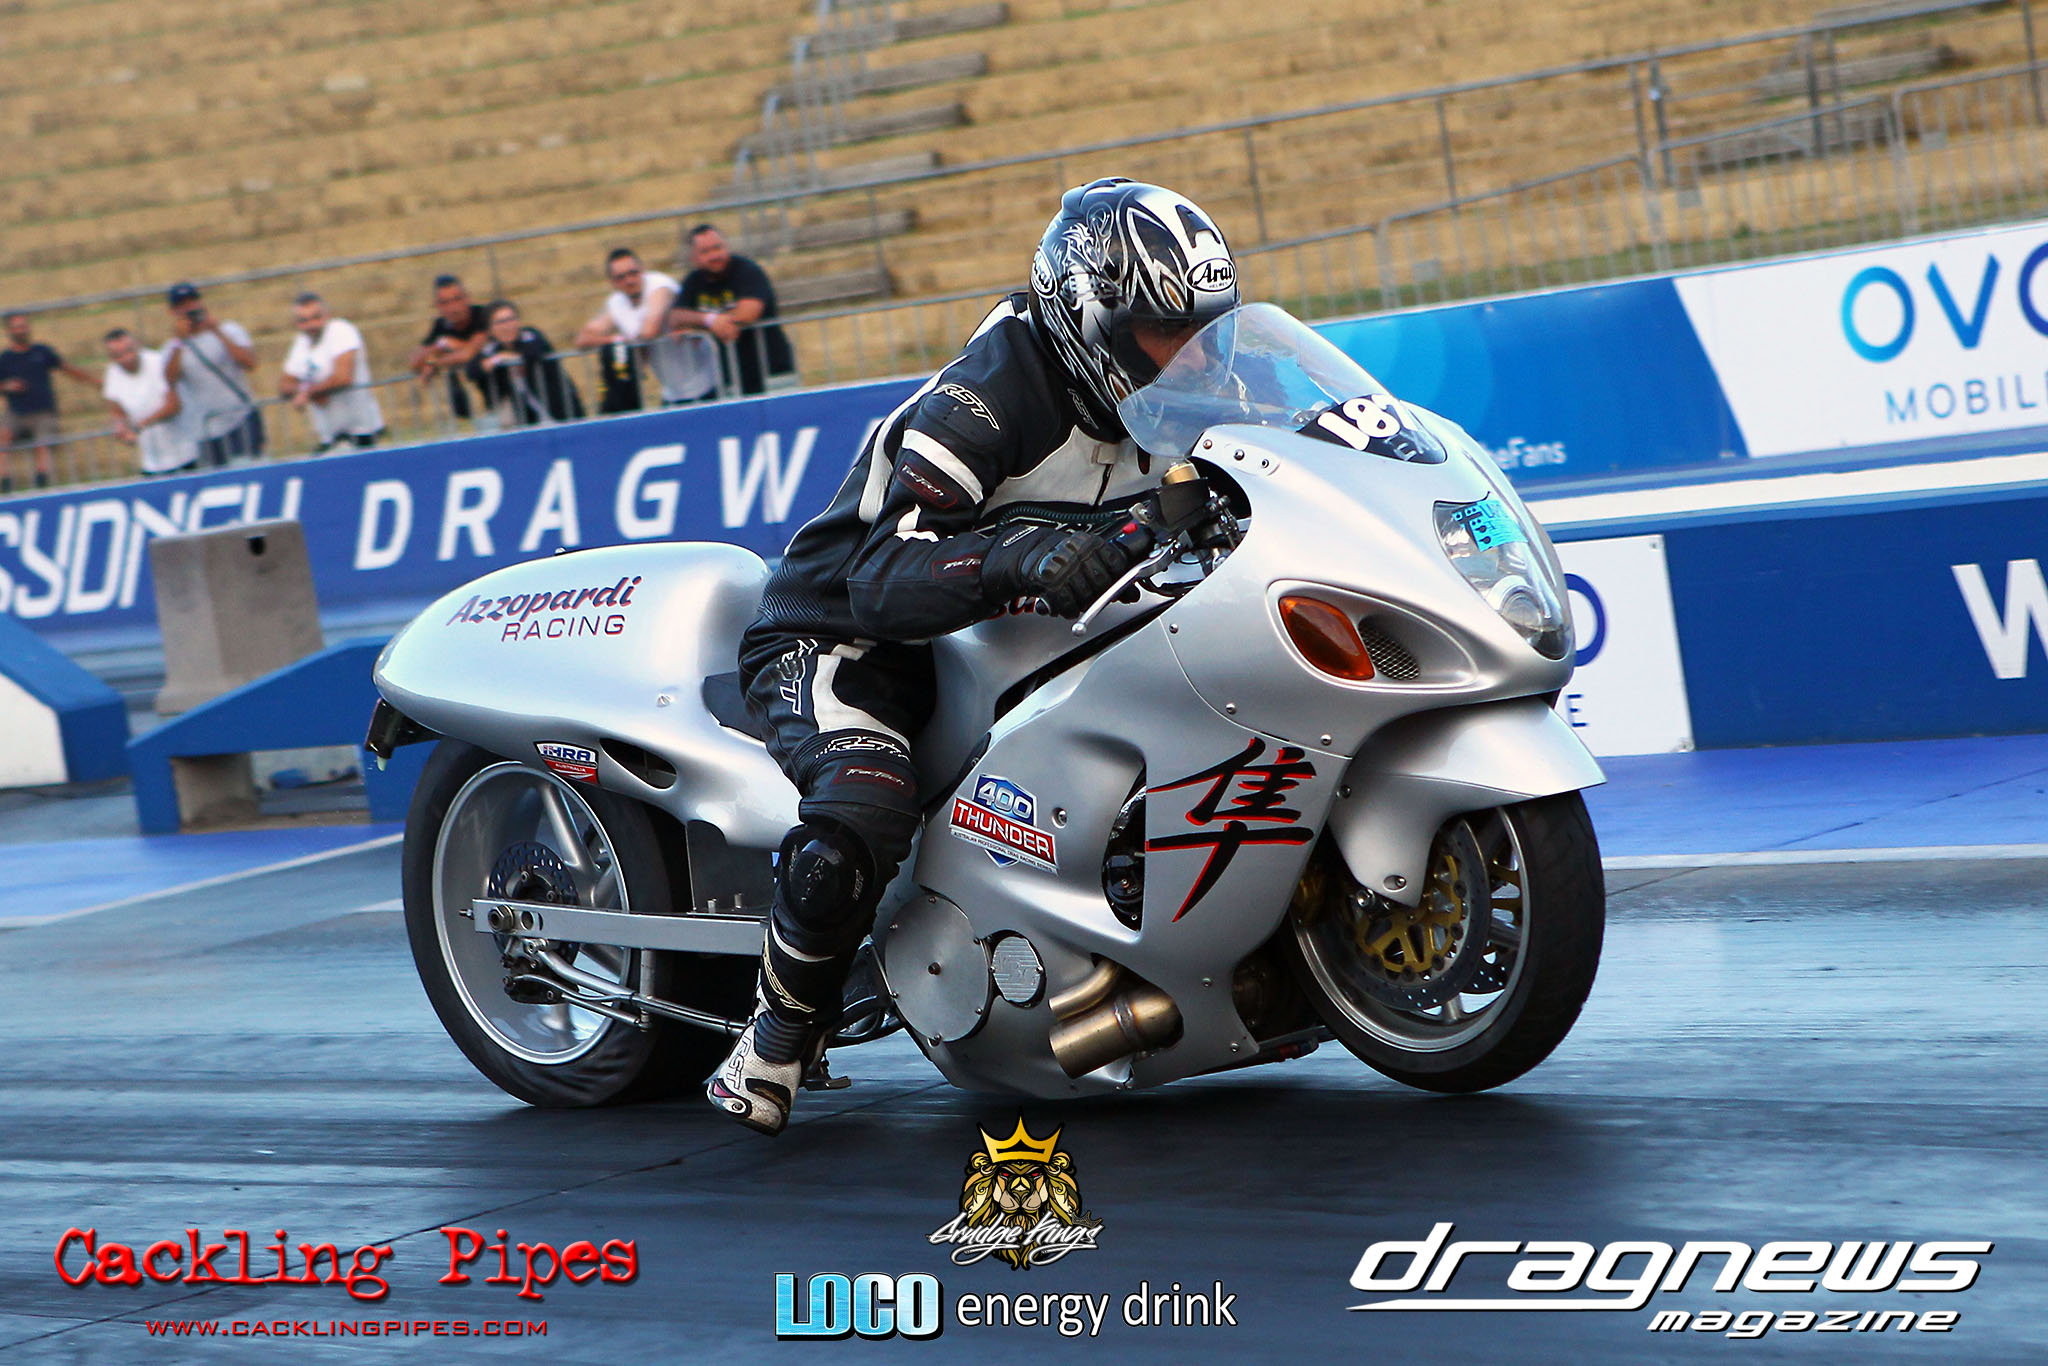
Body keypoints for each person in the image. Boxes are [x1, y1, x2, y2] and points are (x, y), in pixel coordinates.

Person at [708, 179, 1240, 1135]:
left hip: (1008, 643)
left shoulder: (1189, 393)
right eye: (1169, 333)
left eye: (1208, 331)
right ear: (1091, 319)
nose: (1195, 357)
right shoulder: (990, 397)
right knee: (864, 804)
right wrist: (1024, 556)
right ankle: (774, 1040)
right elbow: (880, 578)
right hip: (851, 632)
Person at [573, 247, 716, 408]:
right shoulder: (616, 302)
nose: (629, 280)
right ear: (612, 282)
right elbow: (583, 340)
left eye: (633, 273)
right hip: (672, 392)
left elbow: (650, 329)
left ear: (642, 270)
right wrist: (615, 339)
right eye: (621, 277)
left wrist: (627, 342)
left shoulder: (659, 285)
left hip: (708, 385)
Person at [673, 224, 797, 397]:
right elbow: (676, 316)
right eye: (705, 251)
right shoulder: (693, 282)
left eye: (718, 247)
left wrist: (711, 323)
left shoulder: (748, 271)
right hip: (730, 376)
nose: (715, 255)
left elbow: (748, 313)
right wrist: (709, 320)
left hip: (772, 369)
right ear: (693, 257)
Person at [161, 282, 264, 467]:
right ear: (173, 311)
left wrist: (217, 331)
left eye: (192, 302)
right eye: (182, 305)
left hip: (240, 418)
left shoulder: (230, 330)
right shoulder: (172, 348)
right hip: (206, 430)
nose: (189, 308)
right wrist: (179, 341)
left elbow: (249, 362)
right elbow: (170, 379)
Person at [0, 312, 97, 492]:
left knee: (42, 440)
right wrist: (7, 386)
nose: (20, 330)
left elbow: (66, 368)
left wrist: (94, 381)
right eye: (16, 327)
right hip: (16, 412)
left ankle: (41, 481)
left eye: (23, 326)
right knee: (3, 434)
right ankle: (5, 482)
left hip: (43, 411)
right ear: (9, 331)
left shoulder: (42, 351)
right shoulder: (5, 358)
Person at [279, 293, 385, 452]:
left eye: (316, 317)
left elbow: (343, 377)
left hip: (360, 429)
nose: (311, 325)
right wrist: (306, 391)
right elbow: (284, 383)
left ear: (326, 315)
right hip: (329, 435)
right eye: (303, 320)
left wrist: (309, 393)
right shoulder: (301, 342)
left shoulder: (340, 330)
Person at [473, 299, 584, 426]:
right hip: (530, 419)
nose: (507, 326)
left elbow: (533, 353)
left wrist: (503, 358)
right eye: (500, 322)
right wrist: (496, 359)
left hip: (563, 409)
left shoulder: (530, 334)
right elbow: (472, 369)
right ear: (490, 329)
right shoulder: (493, 348)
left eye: (511, 319)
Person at [101, 329, 195, 477]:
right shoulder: (112, 372)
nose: (126, 358)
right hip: (152, 463)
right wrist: (120, 427)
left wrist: (140, 425)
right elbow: (117, 411)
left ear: (137, 346)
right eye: (118, 355)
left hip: (185, 456)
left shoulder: (158, 362)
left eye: (129, 351)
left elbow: (173, 405)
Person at [409, 274, 492, 428]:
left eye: (457, 299)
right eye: (445, 302)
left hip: (501, 393)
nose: (453, 307)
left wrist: (435, 362)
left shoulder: (483, 315)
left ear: (467, 298)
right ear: (437, 306)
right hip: (470, 403)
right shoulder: (441, 325)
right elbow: (415, 362)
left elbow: (468, 354)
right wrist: (440, 347)